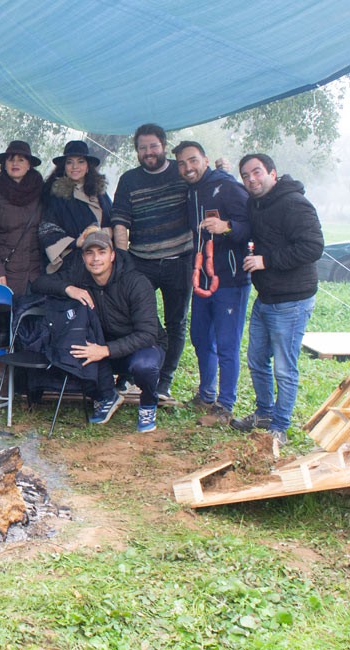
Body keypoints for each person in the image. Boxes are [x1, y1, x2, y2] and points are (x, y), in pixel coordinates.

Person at [230, 154, 324, 446]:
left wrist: (266, 260)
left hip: (292, 301)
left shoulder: (294, 203)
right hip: (266, 296)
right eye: (245, 176)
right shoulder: (255, 203)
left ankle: (280, 428)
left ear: (273, 172)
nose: (251, 180)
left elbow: (313, 246)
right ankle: (264, 413)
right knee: (257, 360)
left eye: (256, 172)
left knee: (284, 367)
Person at [32, 230, 166, 433]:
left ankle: (148, 403)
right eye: (89, 253)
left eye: (101, 252)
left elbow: (148, 334)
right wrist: (69, 289)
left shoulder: (136, 283)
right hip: (102, 344)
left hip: (142, 347)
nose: (95, 259)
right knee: (76, 349)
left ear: (112, 255)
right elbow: (40, 283)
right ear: (83, 257)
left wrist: (105, 350)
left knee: (144, 366)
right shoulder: (80, 275)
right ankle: (105, 396)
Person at [172, 141, 251, 423]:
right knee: (200, 337)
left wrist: (228, 227)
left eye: (192, 160)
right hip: (201, 278)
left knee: (228, 343)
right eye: (182, 164)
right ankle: (206, 395)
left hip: (230, 280)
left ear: (205, 160)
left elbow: (253, 223)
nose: (188, 167)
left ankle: (225, 406)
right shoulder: (191, 190)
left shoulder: (227, 187)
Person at [111, 124, 190, 402]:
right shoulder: (129, 179)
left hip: (179, 260)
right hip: (141, 261)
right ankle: (128, 374)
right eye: (142, 148)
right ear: (136, 151)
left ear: (164, 146)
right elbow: (120, 220)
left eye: (153, 146)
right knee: (135, 319)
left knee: (176, 322)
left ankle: (164, 380)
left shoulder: (180, 173)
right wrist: (122, 260)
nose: (148, 152)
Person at [0, 141, 44, 348]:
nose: (15, 163)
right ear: (4, 163)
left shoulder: (42, 193)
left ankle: (28, 380)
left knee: (33, 330)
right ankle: (4, 379)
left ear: (29, 164)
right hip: (5, 273)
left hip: (35, 273)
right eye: (10, 158)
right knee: (3, 330)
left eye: (21, 159)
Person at [39, 140, 113, 273]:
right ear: (64, 166)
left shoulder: (100, 192)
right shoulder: (56, 195)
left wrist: (103, 233)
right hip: (72, 263)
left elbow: (112, 220)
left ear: (88, 166)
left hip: (102, 258)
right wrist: (76, 242)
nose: (75, 167)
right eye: (69, 162)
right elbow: (48, 230)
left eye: (80, 161)